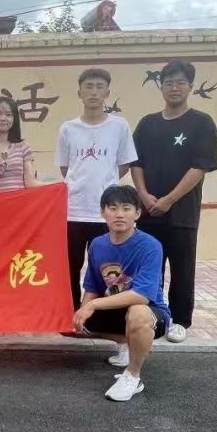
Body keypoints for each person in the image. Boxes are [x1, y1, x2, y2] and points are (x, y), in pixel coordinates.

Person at [130, 60, 217, 344]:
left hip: (182, 213)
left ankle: (180, 320)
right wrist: (143, 195)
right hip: (148, 212)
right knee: (149, 267)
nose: (174, 88)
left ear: (190, 86)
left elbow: (199, 167)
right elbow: (136, 162)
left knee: (182, 269)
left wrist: (169, 199)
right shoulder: (147, 124)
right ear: (161, 87)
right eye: (168, 82)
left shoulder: (201, 123)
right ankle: (152, 315)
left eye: (180, 82)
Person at [72, 185, 171, 402]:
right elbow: (93, 287)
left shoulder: (150, 245)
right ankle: (132, 343)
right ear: (102, 212)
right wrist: (82, 312)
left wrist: (93, 305)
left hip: (150, 312)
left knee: (138, 313)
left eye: (126, 208)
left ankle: (132, 376)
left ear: (137, 213)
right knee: (73, 323)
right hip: (115, 309)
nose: (119, 214)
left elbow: (141, 296)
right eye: (113, 208)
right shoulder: (98, 244)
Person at [56, 67, 137, 308]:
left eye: (99, 87)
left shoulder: (119, 126)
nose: (93, 92)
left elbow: (124, 164)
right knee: (69, 267)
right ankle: (70, 313)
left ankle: (102, 313)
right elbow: (65, 168)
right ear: (79, 92)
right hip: (73, 211)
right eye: (88, 87)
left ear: (107, 93)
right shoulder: (68, 128)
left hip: (106, 213)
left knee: (107, 269)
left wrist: (105, 182)